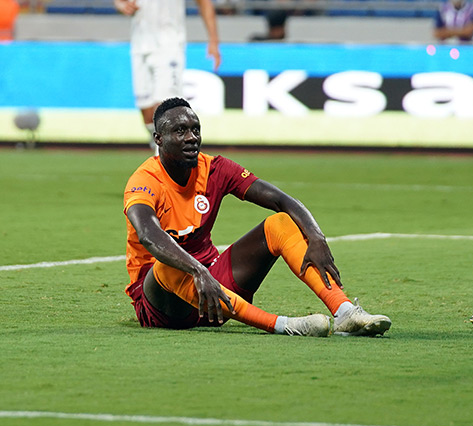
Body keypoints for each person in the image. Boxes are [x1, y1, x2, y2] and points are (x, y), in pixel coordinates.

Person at [123, 97, 392, 337]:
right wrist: (197, 269)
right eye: (180, 131)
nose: (192, 137)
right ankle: (284, 325)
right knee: (167, 264)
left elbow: (281, 200)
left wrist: (316, 237)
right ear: (158, 138)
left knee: (281, 222)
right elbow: (148, 235)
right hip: (164, 306)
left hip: (214, 293)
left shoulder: (214, 168)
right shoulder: (144, 181)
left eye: (196, 129)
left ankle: (345, 311)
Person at [114, 0, 221, 152]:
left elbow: (204, 2)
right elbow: (120, 2)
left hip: (169, 44)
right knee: (147, 113)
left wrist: (213, 40)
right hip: (140, 44)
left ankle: (165, 158)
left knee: (164, 107)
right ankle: (161, 148)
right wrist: (121, 5)